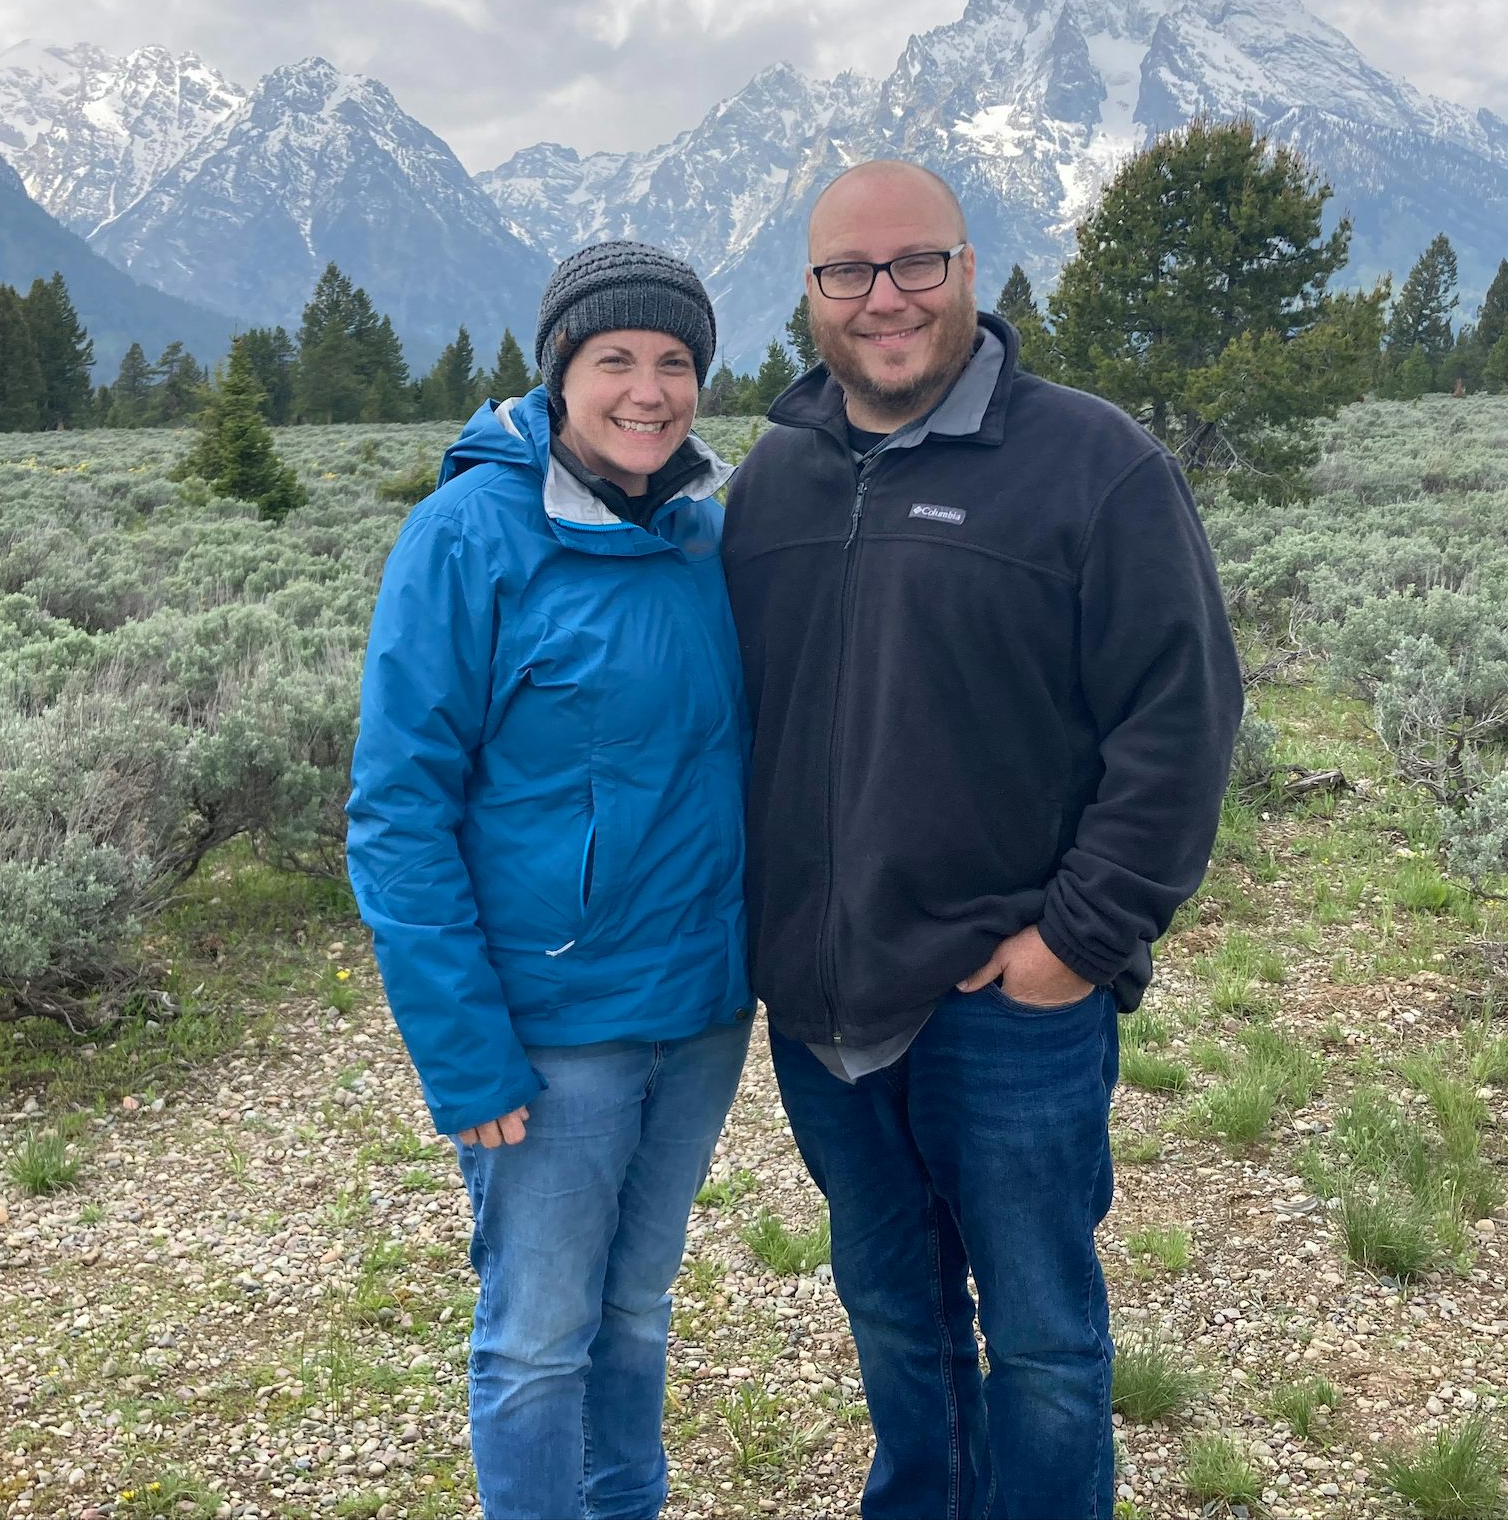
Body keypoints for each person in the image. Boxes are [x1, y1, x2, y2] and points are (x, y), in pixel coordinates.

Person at [722, 161, 1243, 1520]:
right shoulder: (772, 484)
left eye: (916, 265)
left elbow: (1179, 723)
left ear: (970, 273)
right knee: (895, 1316)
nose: (883, 299)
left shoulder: (1094, 466)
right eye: (849, 272)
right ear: (812, 297)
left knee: (1047, 1339)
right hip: (825, 1006)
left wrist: (1077, 941)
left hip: (1009, 1007)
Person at [346, 240, 753, 1520]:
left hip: (695, 1013)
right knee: (536, 1334)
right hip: (548, 1030)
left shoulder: (705, 533)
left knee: (635, 1309)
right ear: (558, 370)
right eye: (614, 359)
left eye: (675, 361)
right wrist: (462, 1052)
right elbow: (398, 811)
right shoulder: (466, 536)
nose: (648, 390)